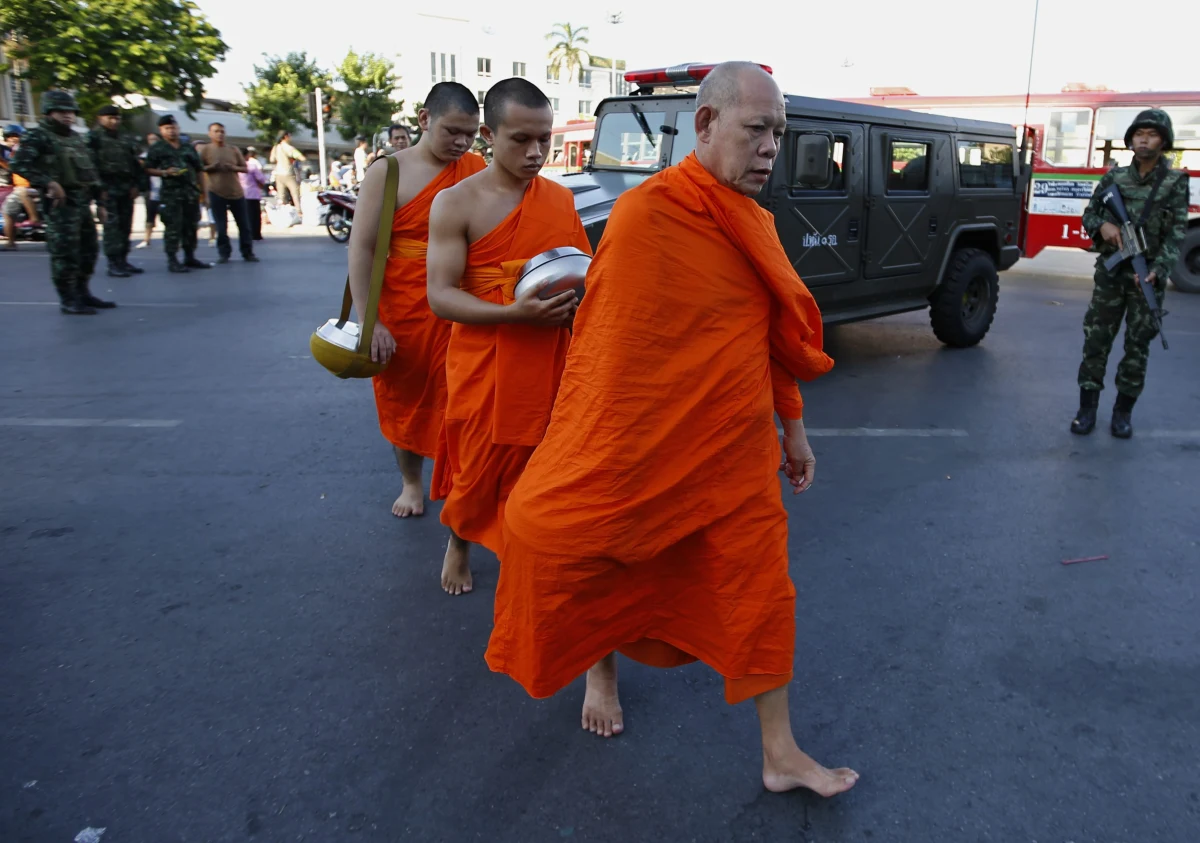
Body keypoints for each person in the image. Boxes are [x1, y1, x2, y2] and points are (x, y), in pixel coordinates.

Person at [483, 63, 859, 798]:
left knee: (761, 591)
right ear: (707, 125)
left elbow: (771, 334)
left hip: (733, 448)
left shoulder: (752, 220)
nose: (770, 149)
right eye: (757, 130)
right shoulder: (648, 215)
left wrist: (795, 428)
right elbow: (607, 354)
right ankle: (602, 673)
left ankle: (780, 752)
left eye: (779, 134)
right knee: (597, 549)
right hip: (642, 444)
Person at [425, 78, 590, 595]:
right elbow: (441, 296)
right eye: (521, 139)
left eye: (544, 138)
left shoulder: (560, 199)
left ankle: (529, 550)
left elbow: (585, 271)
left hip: (550, 357)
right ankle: (460, 539)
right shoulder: (456, 203)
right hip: (486, 359)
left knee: (545, 466)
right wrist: (515, 315)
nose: (537, 151)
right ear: (489, 135)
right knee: (476, 467)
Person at [348, 83, 485, 532]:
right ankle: (411, 482)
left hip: (460, 302)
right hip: (404, 308)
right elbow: (363, 249)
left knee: (463, 402)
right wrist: (373, 322)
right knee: (403, 402)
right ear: (425, 120)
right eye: (452, 132)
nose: (461, 143)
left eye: (469, 134)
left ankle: (462, 489)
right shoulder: (387, 173)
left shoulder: (475, 168)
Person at [1070, 109, 1190, 439]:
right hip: (1111, 273)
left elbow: (1177, 232)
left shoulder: (1175, 182)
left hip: (1145, 275)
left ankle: (1123, 412)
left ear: (1163, 141)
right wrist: (1104, 225)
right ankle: (1086, 409)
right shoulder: (1114, 178)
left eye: (1151, 134)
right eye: (1139, 133)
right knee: (1096, 339)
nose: (1144, 139)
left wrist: (1158, 270)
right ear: (1131, 139)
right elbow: (1090, 214)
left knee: (1137, 347)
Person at [9, 91, 114, 314]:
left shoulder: (75, 137)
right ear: (49, 112)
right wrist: (47, 182)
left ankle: (83, 293)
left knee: (89, 250)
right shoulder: (38, 136)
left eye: (70, 112)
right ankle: (68, 299)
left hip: (82, 202)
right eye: (61, 112)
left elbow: (90, 171)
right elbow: (18, 164)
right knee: (65, 253)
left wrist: (101, 202)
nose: (67, 116)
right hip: (60, 205)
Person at [143, 115, 212, 273]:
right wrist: (164, 172)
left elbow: (199, 170)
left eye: (173, 127)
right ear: (161, 130)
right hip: (171, 194)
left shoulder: (187, 147)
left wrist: (205, 194)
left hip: (190, 193)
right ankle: (172, 259)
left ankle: (190, 256)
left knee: (191, 225)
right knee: (173, 227)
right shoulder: (158, 148)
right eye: (167, 128)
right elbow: (147, 168)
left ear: (178, 128)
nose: (171, 131)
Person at [87, 104, 147, 277]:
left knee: (125, 225)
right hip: (107, 187)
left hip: (126, 187)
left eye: (117, 118)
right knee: (112, 227)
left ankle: (123, 259)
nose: (114, 121)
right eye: (110, 118)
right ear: (100, 119)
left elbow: (136, 164)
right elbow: (90, 166)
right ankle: (113, 263)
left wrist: (137, 185)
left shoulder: (125, 138)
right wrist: (98, 190)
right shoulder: (93, 138)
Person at [199, 122, 258, 263]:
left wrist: (232, 167)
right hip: (216, 191)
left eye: (222, 131)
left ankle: (247, 252)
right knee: (221, 225)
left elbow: (244, 168)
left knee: (244, 224)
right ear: (210, 134)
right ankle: (224, 253)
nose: (220, 134)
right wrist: (212, 167)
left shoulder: (233, 149)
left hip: (236, 192)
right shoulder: (206, 150)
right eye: (216, 131)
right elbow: (199, 168)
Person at [2, 125, 42, 251]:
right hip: (19, 188)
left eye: (16, 137)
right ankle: (11, 243)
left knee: (22, 191)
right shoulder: (11, 151)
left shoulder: (27, 150)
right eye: (10, 137)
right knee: (8, 212)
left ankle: (34, 218)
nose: (13, 139)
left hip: (34, 186)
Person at [136, 133, 162, 250]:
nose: (153, 141)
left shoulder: (166, 153)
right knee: (150, 215)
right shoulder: (146, 155)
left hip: (167, 190)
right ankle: (146, 239)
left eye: (155, 139)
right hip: (152, 190)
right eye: (150, 139)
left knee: (171, 217)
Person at [271, 131, 305, 212]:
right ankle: (298, 211)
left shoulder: (275, 147)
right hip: (288, 173)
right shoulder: (289, 148)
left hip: (278, 174)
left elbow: (272, 159)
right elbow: (301, 157)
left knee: (281, 195)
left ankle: (282, 212)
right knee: (295, 193)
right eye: (289, 136)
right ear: (285, 137)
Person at [239, 146, 266, 241]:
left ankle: (247, 233)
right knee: (255, 216)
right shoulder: (251, 166)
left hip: (241, 194)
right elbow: (261, 179)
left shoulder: (235, 167)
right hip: (253, 194)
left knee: (245, 215)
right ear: (247, 155)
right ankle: (256, 234)